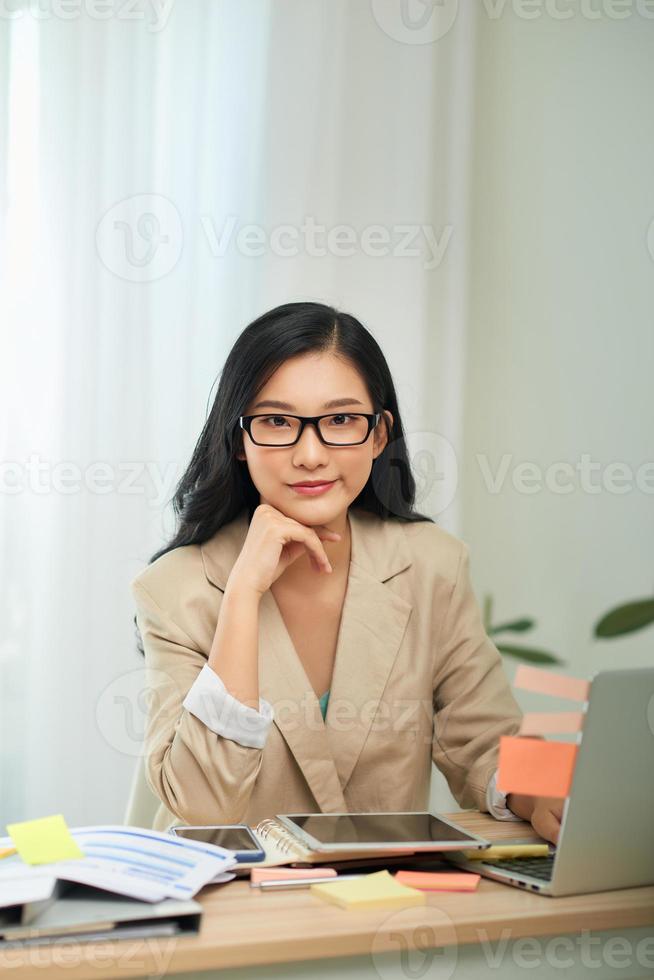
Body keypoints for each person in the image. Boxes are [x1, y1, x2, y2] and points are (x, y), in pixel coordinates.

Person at [131, 301, 563, 843]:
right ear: (239, 440)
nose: (310, 454)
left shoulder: (432, 565)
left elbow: (485, 739)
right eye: (277, 421)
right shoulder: (173, 590)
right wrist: (242, 594)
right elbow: (202, 805)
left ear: (379, 435)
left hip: (386, 907)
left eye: (339, 420)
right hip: (237, 912)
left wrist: (546, 790)